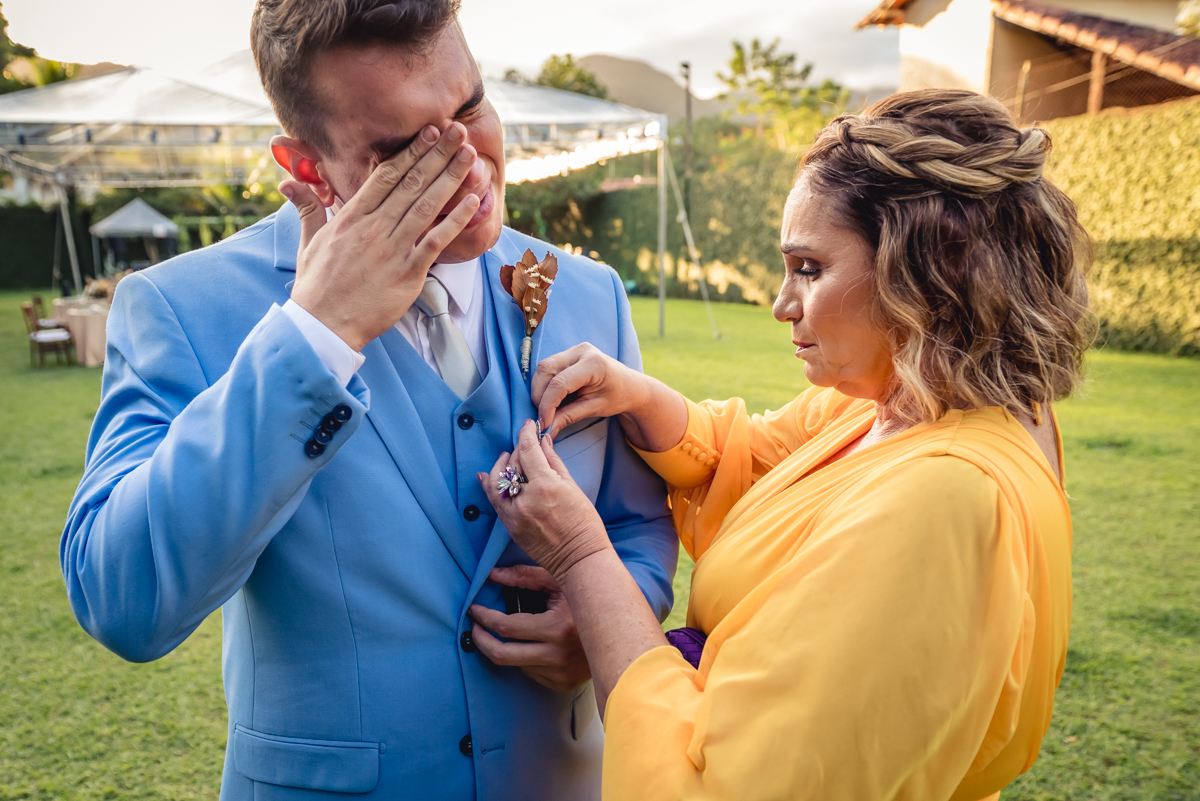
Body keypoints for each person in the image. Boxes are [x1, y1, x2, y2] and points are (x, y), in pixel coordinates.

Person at [59, 2, 677, 799]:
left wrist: (604, 617)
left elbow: (638, 522)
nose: (467, 167)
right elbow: (121, 599)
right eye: (404, 151)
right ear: (308, 166)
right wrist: (314, 334)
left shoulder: (590, 293)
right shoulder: (182, 306)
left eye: (470, 109)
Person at [475, 89, 1090, 801]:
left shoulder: (947, 498)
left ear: (926, 271)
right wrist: (638, 396)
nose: (780, 304)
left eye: (809, 268)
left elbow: (717, 789)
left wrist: (583, 557)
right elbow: (759, 463)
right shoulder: (901, 404)